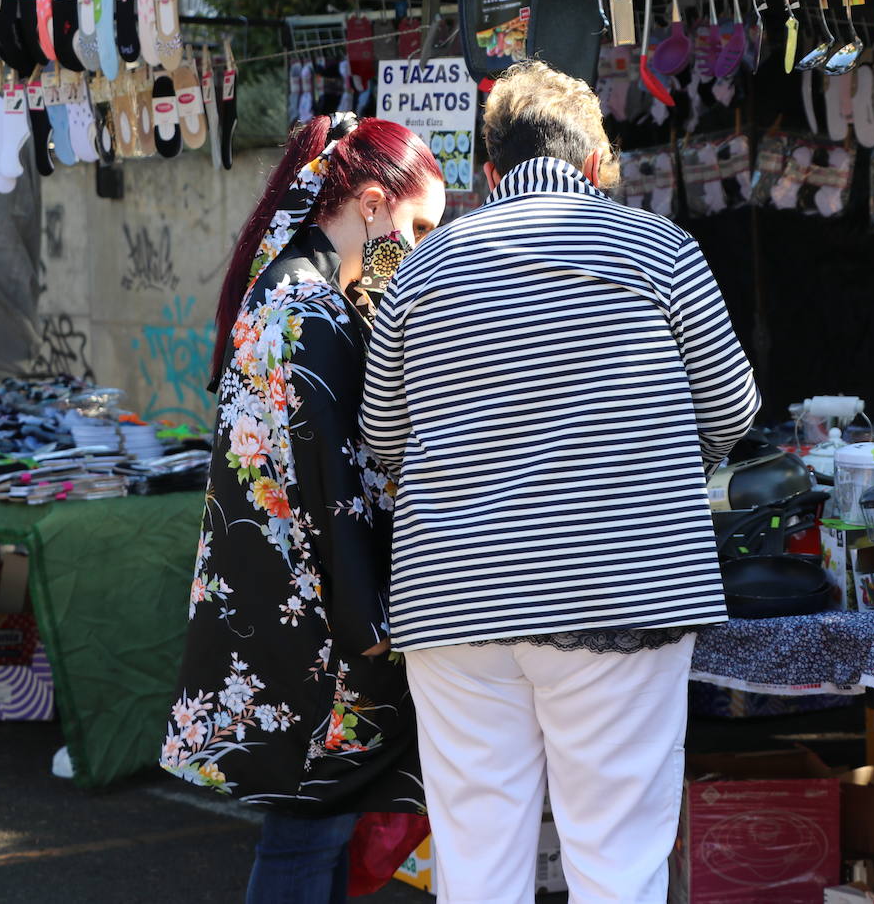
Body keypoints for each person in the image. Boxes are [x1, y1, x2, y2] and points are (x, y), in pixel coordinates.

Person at [359, 61, 761, 904]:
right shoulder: (663, 250)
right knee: (616, 863)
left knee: (477, 864)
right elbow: (731, 406)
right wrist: (653, 469)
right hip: (621, 591)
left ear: (492, 171)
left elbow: (380, 438)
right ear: (592, 167)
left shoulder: (421, 273)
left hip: (455, 598)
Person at [160, 113, 446, 904]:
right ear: (373, 203)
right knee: (304, 842)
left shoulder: (279, 287)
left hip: (276, 616)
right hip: (318, 630)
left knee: (303, 839)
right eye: (419, 223)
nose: (421, 247)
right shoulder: (314, 312)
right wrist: (374, 637)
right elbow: (337, 497)